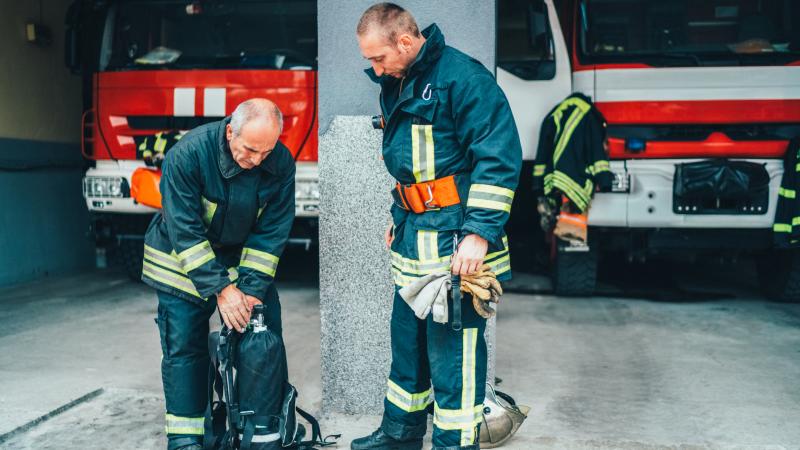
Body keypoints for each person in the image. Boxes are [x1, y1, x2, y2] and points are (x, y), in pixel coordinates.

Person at [352, 4, 522, 450]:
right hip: (414, 238)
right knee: (407, 348)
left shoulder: (464, 79)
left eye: (379, 58)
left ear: (405, 42)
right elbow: (411, 166)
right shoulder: (397, 79)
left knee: (453, 359)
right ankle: (400, 434)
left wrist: (478, 234)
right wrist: (400, 216)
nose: (375, 69)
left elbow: (498, 159)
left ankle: (454, 442)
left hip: (456, 244)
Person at [141, 98, 296, 450]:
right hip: (182, 262)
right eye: (250, 150)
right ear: (230, 132)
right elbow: (184, 229)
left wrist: (251, 291)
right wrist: (222, 290)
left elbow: (271, 231)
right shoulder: (188, 154)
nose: (257, 160)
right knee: (185, 349)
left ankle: (260, 430)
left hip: (239, 262)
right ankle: (185, 438)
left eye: (266, 152)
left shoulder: (281, 162)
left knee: (263, 338)